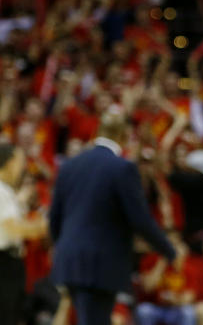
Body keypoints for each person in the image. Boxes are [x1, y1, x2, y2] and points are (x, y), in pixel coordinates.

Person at [50, 110, 177, 325]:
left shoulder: (69, 166)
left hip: (69, 261)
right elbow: (140, 220)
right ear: (124, 136)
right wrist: (169, 250)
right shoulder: (123, 168)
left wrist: (64, 249)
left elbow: (54, 219)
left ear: (98, 132)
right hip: (100, 264)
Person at [0, 142, 47, 325]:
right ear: (10, 162)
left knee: (11, 316)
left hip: (11, 259)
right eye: (20, 162)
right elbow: (15, 227)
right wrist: (43, 226)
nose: (22, 166)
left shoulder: (4, 189)